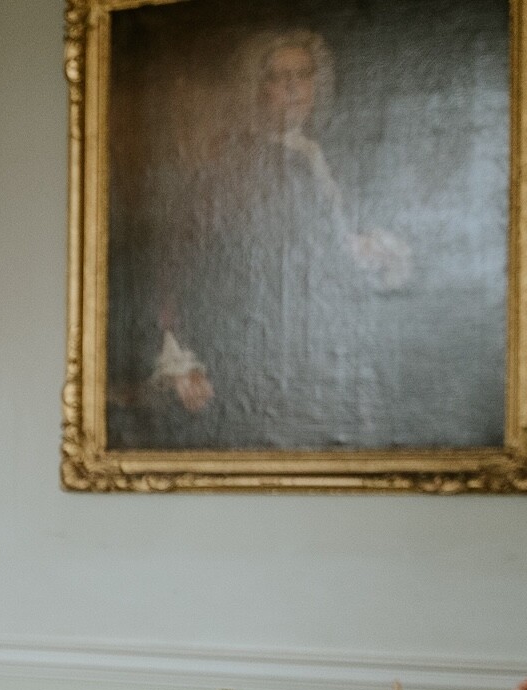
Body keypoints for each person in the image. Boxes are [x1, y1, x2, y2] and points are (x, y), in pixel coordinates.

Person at [109, 24, 502, 451]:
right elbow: (181, 268)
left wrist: (380, 258)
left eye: (303, 75)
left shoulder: (335, 155)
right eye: (280, 77)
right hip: (255, 354)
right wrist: (180, 358)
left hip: (337, 347)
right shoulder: (229, 167)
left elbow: (348, 247)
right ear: (258, 89)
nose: (294, 88)